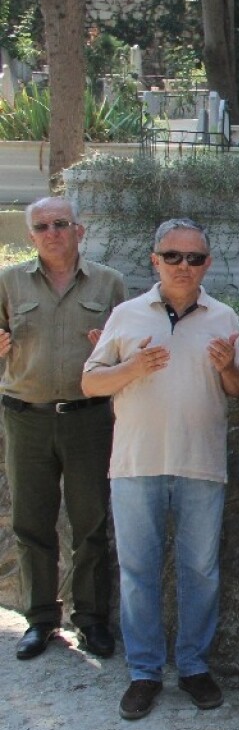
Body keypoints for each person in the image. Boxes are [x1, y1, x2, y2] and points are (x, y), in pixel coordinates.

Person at [82, 218, 239, 720]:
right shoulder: (126, 314)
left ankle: (194, 667)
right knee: (138, 572)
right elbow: (91, 383)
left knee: (200, 571)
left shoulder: (224, 316)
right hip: (136, 463)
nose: (184, 265)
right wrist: (132, 369)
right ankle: (144, 673)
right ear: (155, 259)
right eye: (173, 256)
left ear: (208, 264)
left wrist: (227, 367)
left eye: (195, 257)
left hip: (200, 463)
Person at [1, 197, 125, 661]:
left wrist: (111, 351)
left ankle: (91, 620)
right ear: (30, 234)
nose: (52, 232)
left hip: (88, 419)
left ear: (79, 230)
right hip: (25, 417)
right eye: (41, 226)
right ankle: (40, 619)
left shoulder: (109, 283)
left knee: (90, 523)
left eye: (60, 223)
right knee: (32, 523)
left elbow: (126, 352)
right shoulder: (8, 282)